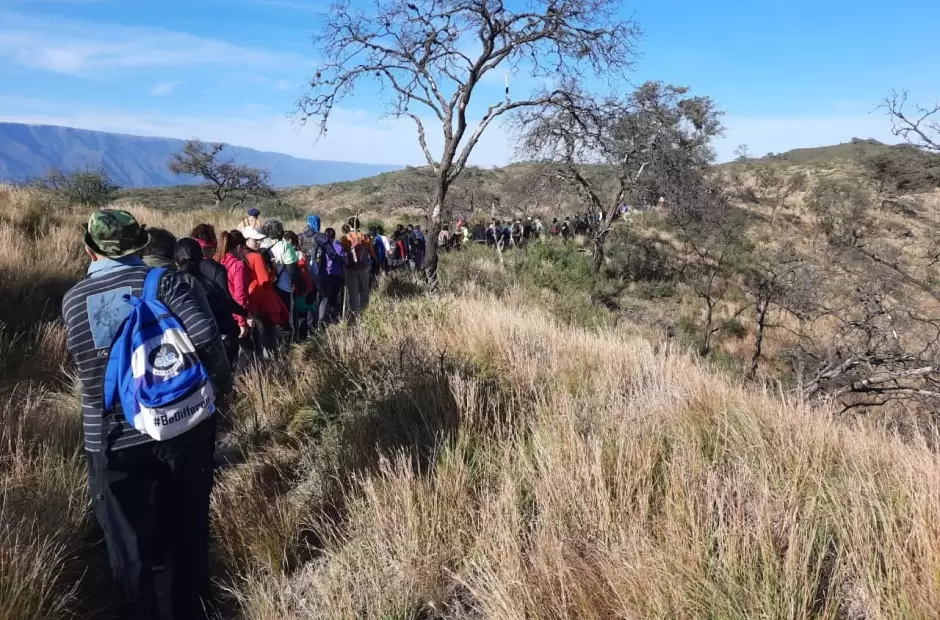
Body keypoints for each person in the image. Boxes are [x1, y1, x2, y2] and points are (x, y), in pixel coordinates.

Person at [62, 209, 232, 620]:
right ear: (141, 244)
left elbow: (86, 366)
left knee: (127, 548)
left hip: (110, 440)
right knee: (185, 536)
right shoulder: (166, 281)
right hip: (179, 430)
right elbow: (207, 338)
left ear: (90, 248)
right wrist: (217, 393)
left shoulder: (73, 301)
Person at [175, 238, 241, 366]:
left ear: (176, 260)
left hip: (186, 348)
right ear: (201, 257)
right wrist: (244, 314)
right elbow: (226, 303)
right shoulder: (209, 284)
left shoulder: (172, 286)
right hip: (219, 342)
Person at [241, 226, 286, 356]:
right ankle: (271, 364)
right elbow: (265, 281)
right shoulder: (257, 257)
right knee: (269, 336)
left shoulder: (240, 256)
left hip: (248, 302)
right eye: (256, 240)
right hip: (263, 302)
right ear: (247, 240)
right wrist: (273, 269)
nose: (259, 242)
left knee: (255, 338)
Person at [215, 230, 252, 364]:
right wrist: (242, 321)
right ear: (238, 248)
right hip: (236, 315)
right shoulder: (238, 265)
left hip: (220, 313)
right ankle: (240, 382)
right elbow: (239, 294)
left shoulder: (217, 260)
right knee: (247, 351)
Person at [341, 219, 377, 320]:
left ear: (349, 225)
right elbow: (372, 252)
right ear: (359, 224)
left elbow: (343, 252)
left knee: (353, 292)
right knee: (364, 290)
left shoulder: (346, 237)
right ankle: (364, 312)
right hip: (364, 268)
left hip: (350, 269)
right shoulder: (365, 237)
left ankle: (354, 314)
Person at [284, 231, 314, 340]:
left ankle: (298, 338)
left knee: (297, 314)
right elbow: (310, 270)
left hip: (297, 287)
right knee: (303, 313)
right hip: (305, 286)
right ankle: (302, 337)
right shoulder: (304, 253)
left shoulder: (291, 253)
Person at [319, 228, 345, 326]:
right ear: (334, 236)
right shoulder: (339, 247)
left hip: (325, 273)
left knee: (324, 296)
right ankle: (332, 314)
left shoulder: (321, 247)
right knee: (334, 295)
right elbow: (343, 261)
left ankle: (324, 315)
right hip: (336, 274)